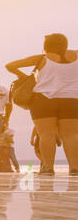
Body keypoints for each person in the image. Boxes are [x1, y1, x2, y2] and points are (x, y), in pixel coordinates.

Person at [6, 33, 78, 175]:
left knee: (46, 134)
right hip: (71, 99)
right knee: (71, 135)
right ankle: (75, 167)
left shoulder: (42, 58)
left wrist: (23, 76)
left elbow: (10, 65)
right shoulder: (76, 55)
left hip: (44, 100)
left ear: (46, 46)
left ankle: (48, 167)